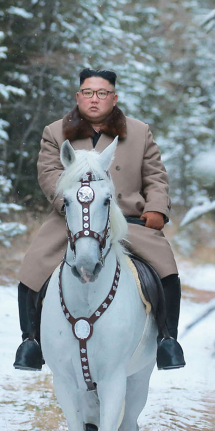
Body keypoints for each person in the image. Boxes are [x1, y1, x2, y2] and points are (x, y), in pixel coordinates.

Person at [14, 68, 181, 371]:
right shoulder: (55, 132)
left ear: (114, 98)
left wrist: (157, 208)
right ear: (78, 97)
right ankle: (31, 342)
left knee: (166, 271)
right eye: (88, 93)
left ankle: (167, 341)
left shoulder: (139, 132)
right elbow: (49, 174)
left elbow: (156, 176)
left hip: (127, 220)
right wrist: (69, 204)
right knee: (33, 269)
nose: (94, 99)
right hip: (71, 218)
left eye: (102, 93)